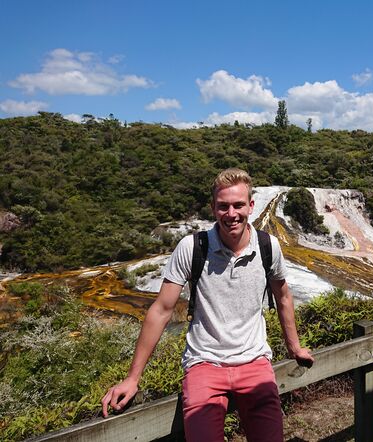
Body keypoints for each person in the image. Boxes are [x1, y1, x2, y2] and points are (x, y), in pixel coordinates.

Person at [101, 168, 314, 441]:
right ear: (213, 208)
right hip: (204, 364)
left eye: (238, 205)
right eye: (223, 206)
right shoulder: (192, 248)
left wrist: (294, 347)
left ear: (251, 206)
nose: (231, 213)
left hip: (255, 363)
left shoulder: (267, 246)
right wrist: (133, 378)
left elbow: (283, 295)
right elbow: (161, 310)